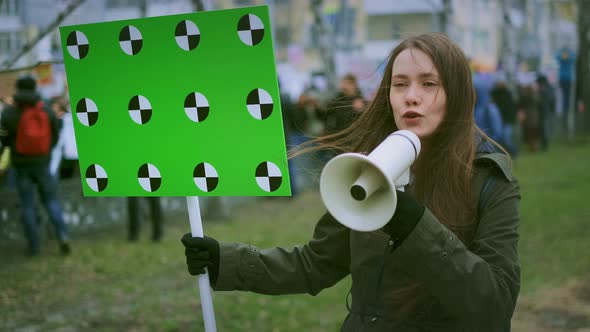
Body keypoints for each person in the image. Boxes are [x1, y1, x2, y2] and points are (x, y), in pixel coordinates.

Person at [181, 33, 520, 331]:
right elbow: (314, 264)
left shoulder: (488, 179)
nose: (411, 97)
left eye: (428, 84)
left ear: (456, 93)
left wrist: (415, 226)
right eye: (400, 84)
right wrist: (227, 262)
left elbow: (494, 307)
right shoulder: (368, 170)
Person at [0, 76, 71, 256]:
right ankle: (62, 235)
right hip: (42, 162)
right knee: (51, 200)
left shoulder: (9, 113)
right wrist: (46, 150)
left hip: (21, 164)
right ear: (34, 87)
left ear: (17, 88)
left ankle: (34, 245)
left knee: (28, 204)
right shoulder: (46, 110)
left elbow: (4, 138)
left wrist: (14, 148)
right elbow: (56, 131)